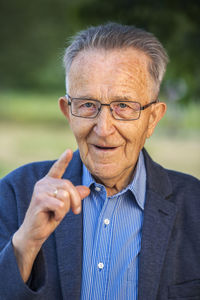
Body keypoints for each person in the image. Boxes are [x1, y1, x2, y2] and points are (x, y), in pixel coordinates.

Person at [0, 23, 200, 300]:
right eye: (87, 105)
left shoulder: (195, 205)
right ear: (68, 112)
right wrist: (25, 244)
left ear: (152, 118)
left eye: (124, 106)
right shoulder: (14, 193)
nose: (104, 128)